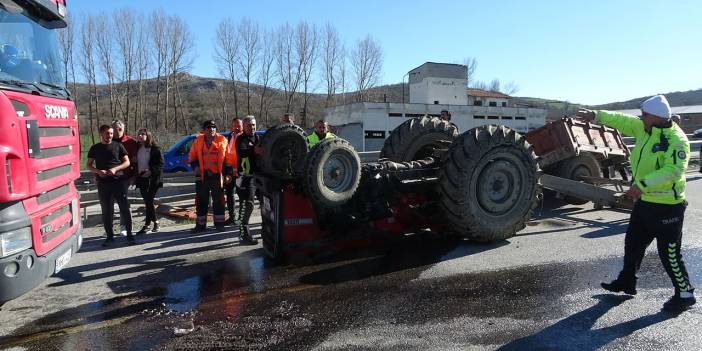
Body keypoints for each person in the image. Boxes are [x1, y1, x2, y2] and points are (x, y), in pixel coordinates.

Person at [576, 94, 696, 311]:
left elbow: (674, 171)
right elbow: (621, 120)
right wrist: (596, 115)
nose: (641, 118)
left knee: (669, 254)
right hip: (644, 203)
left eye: (645, 115)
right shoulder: (644, 129)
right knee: (633, 245)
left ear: (657, 117)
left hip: (668, 207)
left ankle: (685, 293)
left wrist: (642, 184)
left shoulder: (676, 140)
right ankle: (627, 281)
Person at [86, 125, 136, 247]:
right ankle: (109, 237)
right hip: (103, 183)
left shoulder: (118, 146)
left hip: (119, 181)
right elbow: (88, 165)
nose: (110, 136)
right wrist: (98, 171)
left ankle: (130, 235)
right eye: (107, 133)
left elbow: (127, 162)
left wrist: (115, 169)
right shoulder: (95, 148)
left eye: (111, 133)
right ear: (101, 134)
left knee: (124, 208)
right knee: (106, 210)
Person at [188, 120, 232, 233]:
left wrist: (228, 174)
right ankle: (200, 225)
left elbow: (228, 158)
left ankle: (219, 224)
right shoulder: (198, 141)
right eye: (208, 127)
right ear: (204, 130)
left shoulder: (223, 140)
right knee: (201, 201)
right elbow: (192, 156)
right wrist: (195, 167)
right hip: (202, 177)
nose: (211, 129)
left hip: (218, 177)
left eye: (213, 127)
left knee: (219, 201)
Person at [235, 116, 261, 244]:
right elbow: (242, 152)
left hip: (258, 177)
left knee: (265, 203)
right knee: (247, 205)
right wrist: (253, 150)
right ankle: (243, 235)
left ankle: (266, 229)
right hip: (245, 178)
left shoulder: (257, 138)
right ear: (244, 127)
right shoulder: (241, 139)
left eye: (254, 125)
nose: (252, 127)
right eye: (249, 125)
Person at [111, 120, 139, 236]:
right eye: (114, 129)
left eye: (119, 129)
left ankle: (125, 227)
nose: (117, 132)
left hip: (126, 177)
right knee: (109, 203)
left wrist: (134, 177)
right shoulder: (108, 141)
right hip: (111, 177)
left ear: (123, 129)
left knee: (124, 203)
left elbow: (137, 161)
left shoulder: (131, 142)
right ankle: (109, 228)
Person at [134, 128, 164, 235]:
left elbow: (160, 164)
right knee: (147, 201)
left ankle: (148, 224)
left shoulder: (155, 148)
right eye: (139, 134)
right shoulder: (138, 148)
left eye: (143, 134)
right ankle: (154, 223)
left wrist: (151, 171)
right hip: (141, 177)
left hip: (153, 178)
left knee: (149, 200)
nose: (141, 136)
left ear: (148, 136)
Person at [224, 117, 243, 225]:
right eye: (234, 125)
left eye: (238, 125)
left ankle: (241, 218)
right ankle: (232, 217)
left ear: (242, 126)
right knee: (230, 195)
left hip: (240, 173)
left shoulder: (244, 137)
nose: (236, 127)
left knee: (241, 195)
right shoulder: (229, 136)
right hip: (230, 172)